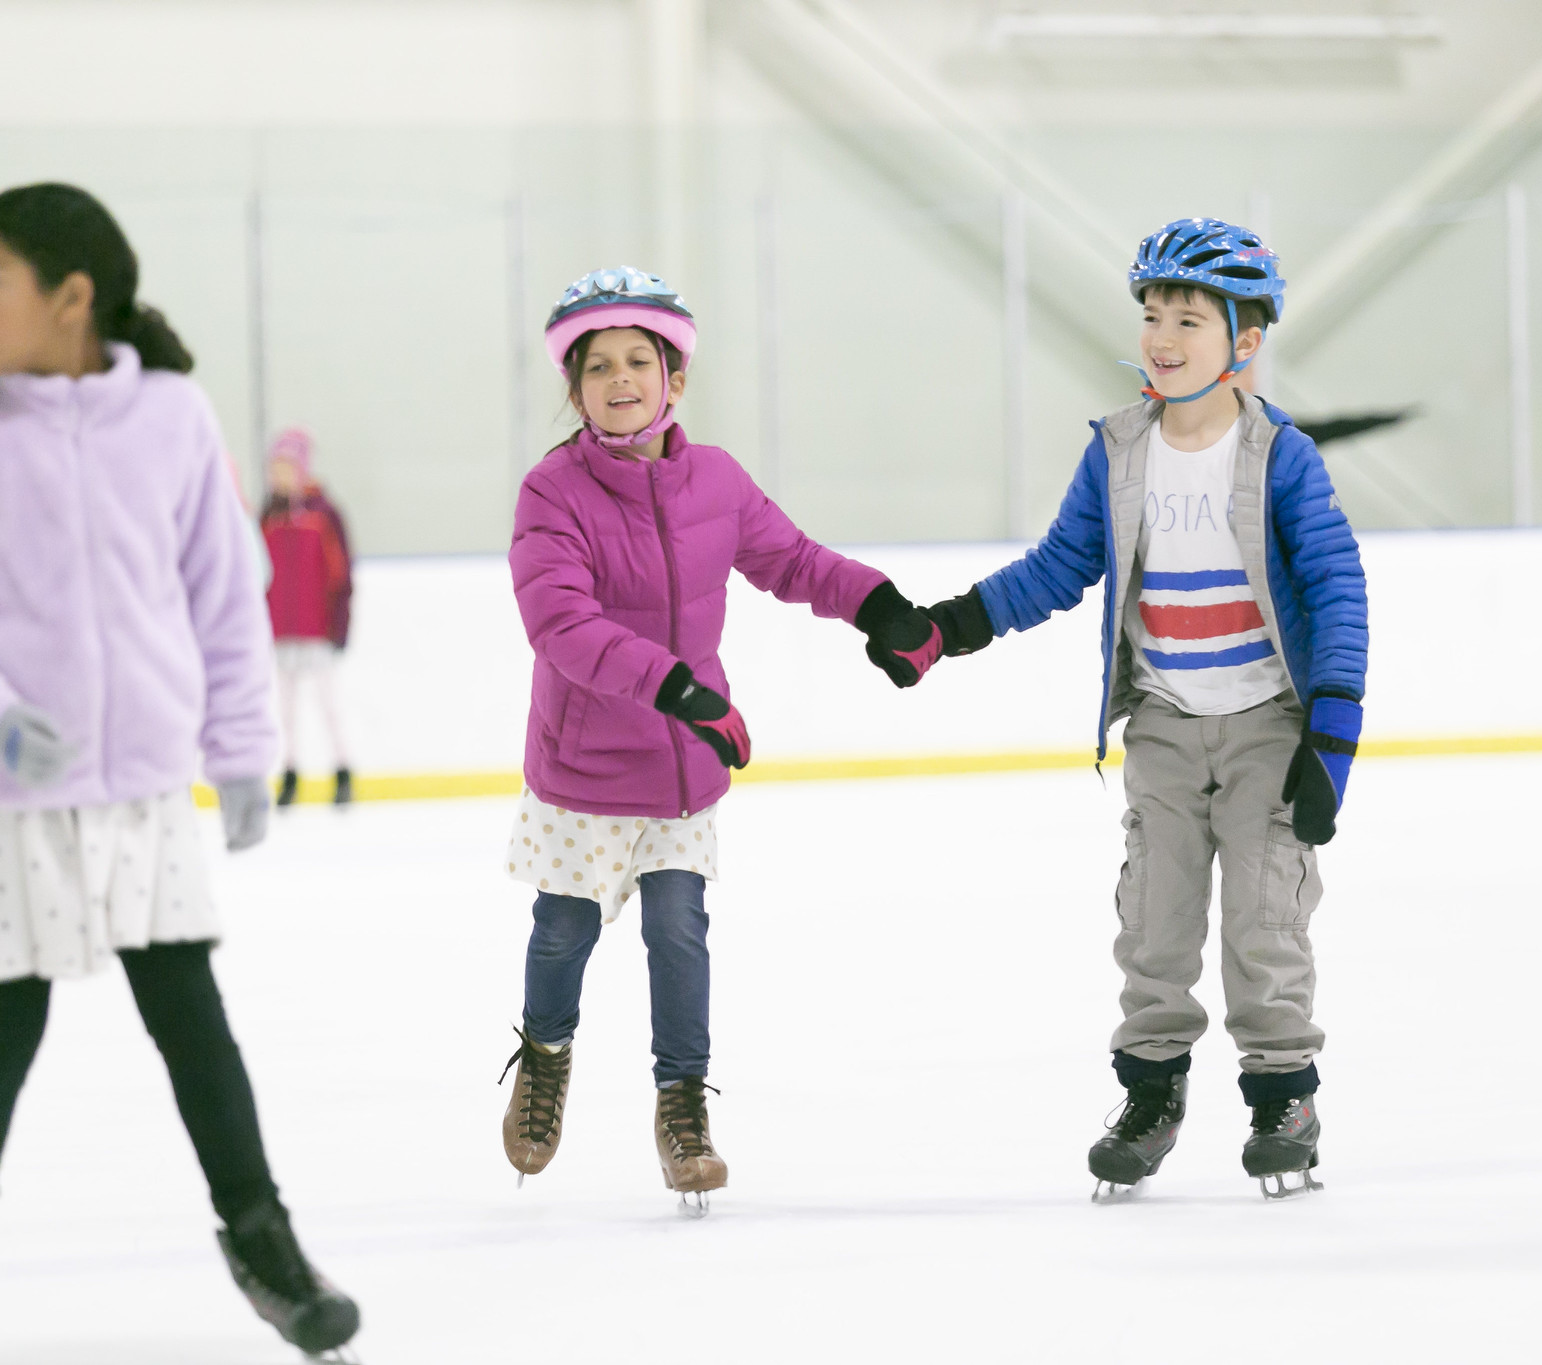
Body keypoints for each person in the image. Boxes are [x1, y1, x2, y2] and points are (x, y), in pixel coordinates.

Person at [0, 183, 359, 1364]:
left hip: (139, 790)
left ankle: (265, 1245)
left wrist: (241, 749)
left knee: (192, 1020)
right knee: (4, 1025)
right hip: (8, 800)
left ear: (72, 297)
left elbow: (223, 597)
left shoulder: (174, 422)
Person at [920, 219, 1368, 1201]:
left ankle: (1281, 1099)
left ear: (1243, 343)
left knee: (1263, 924)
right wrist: (954, 625)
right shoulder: (1118, 450)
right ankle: (1150, 1095)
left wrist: (1331, 737)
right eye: (1153, 315)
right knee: (1155, 928)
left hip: (1267, 725)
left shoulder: (1277, 456)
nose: (1162, 335)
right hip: (1163, 725)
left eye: (1189, 318)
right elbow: (1060, 566)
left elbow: (1336, 585)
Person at [503, 266, 941, 1214]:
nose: (620, 380)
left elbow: (791, 559)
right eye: (597, 367)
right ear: (572, 390)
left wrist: (879, 605)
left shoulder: (715, 481)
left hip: (681, 772)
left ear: (675, 378)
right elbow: (561, 626)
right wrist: (679, 688)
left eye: (639, 361)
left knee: (677, 930)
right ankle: (543, 1056)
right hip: (586, 770)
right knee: (562, 935)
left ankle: (682, 1106)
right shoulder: (552, 494)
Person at [260, 426, 356, 807]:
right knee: (284, 707)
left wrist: (339, 625)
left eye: (285, 466)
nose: (277, 475)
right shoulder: (269, 516)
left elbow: (341, 573)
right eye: (274, 468)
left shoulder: (323, 514)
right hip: (280, 632)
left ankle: (342, 768)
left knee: (327, 703)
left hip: (317, 631)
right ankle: (289, 771)